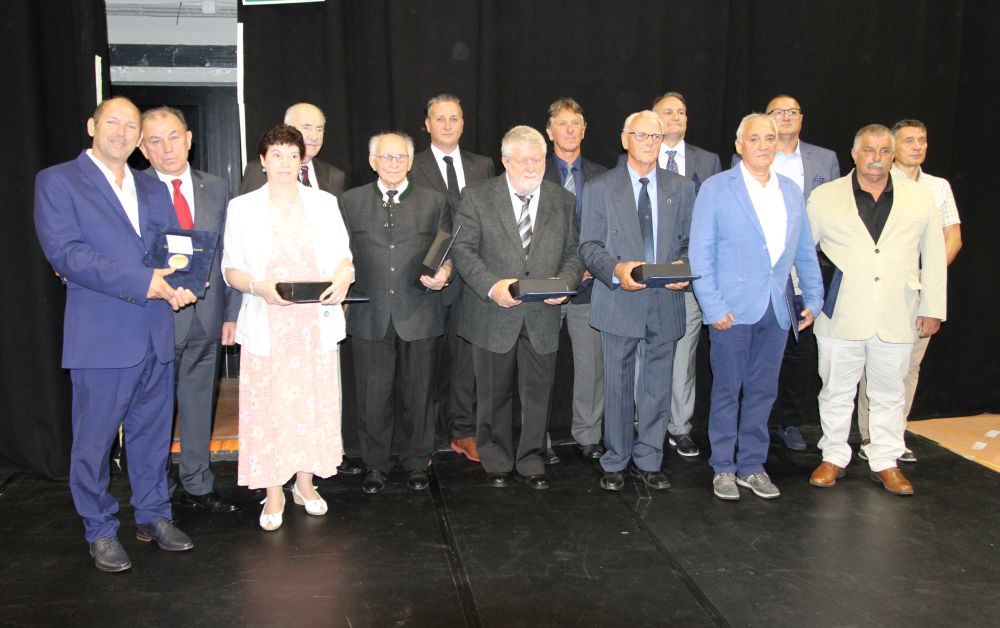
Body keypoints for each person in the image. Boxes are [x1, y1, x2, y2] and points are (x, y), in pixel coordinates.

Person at [34, 96, 197, 572]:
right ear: (92, 126)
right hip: (101, 336)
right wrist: (147, 282)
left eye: (131, 126)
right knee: (94, 442)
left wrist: (184, 281)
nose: (122, 132)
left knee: (152, 435)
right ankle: (100, 529)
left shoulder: (151, 185)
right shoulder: (58, 181)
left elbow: (170, 249)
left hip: (155, 331)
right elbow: (67, 254)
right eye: (113, 123)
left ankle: (153, 515)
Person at [222, 124, 355, 529]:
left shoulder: (324, 203)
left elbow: (344, 258)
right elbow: (231, 269)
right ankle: (274, 490)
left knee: (313, 405)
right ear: (262, 161)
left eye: (292, 155)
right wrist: (258, 287)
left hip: (313, 322)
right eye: (276, 155)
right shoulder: (242, 207)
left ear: (302, 161)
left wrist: (344, 276)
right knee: (270, 407)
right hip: (268, 321)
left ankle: (305, 483)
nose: (284, 163)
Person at [807, 124, 947, 496]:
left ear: (893, 154)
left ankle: (885, 459)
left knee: (889, 393)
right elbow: (803, 253)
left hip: (898, 311)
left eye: (885, 151)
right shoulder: (824, 197)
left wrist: (933, 307)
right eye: (869, 150)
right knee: (836, 390)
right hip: (840, 313)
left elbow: (934, 256)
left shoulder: (919, 197)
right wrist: (806, 300)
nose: (877, 158)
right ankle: (833, 455)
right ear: (855, 154)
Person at [690, 113, 823, 501]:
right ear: (739, 145)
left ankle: (751, 465)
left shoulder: (790, 191)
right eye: (755, 139)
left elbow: (804, 251)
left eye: (769, 138)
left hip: (776, 311)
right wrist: (713, 307)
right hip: (730, 312)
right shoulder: (716, 189)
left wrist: (814, 299)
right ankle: (723, 467)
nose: (764, 145)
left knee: (763, 392)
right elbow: (701, 254)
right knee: (727, 391)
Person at [451, 125, 584, 490]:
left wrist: (566, 283)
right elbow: (463, 250)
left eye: (537, 159)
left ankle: (532, 460)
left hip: (542, 315)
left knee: (538, 395)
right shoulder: (477, 196)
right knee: (492, 394)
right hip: (492, 313)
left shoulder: (562, 200)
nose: (531, 167)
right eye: (523, 160)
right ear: (505, 161)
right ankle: (495, 459)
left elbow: (574, 251)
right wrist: (491, 286)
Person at [579, 110, 693, 492]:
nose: (649, 142)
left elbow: (692, 244)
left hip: (665, 299)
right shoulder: (599, 187)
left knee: (658, 385)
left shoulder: (682, 187)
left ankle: (650, 459)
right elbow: (588, 246)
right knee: (617, 385)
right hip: (618, 299)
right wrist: (615, 270)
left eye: (655, 136)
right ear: (625, 139)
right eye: (641, 135)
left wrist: (684, 269)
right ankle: (615, 459)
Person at [138, 106, 240, 514]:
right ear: (143, 149)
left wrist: (231, 313)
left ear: (189, 139)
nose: (167, 148)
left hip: (207, 316)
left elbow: (230, 254)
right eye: (155, 141)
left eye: (174, 137)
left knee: (199, 405)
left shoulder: (217, 187)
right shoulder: (134, 189)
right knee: (154, 410)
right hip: (156, 318)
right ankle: (155, 488)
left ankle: (198, 484)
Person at [340, 132, 451, 494]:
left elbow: (448, 251)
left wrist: (445, 273)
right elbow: (339, 253)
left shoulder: (435, 201)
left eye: (400, 157)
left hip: (420, 312)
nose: (393, 164)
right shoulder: (350, 202)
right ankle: (375, 464)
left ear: (410, 161)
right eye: (386, 157)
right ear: (373, 162)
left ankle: (417, 462)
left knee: (419, 395)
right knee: (372, 397)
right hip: (369, 314)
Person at [734, 94, 840, 452]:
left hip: (803, 268)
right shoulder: (749, 159)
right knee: (754, 353)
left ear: (801, 118)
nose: (786, 117)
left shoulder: (824, 159)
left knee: (799, 348)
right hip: (759, 274)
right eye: (777, 113)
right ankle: (753, 423)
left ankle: (790, 421)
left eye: (792, 111)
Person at [856, 118, 963, 463]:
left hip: (920, 287)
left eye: (922, 140)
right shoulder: (878, 181)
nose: (917, 147)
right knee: (875, 363)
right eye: (909, 141)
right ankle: (870, 435)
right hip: (881, 286)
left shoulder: (938, 187)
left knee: (910, 365)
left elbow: (953, 237)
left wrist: (927, 273)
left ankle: (894, 435)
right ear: (891, 148)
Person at [409, 93, 496, 463]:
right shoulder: (411, 164)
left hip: (472, 279)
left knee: (466, 360)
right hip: (428, 278)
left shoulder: (483, 165)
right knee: (425, 361)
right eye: (440, 119)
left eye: (454, 118)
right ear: (427, 125)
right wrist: (433, 270)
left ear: (463, 123)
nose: (448, 125)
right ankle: (424, 437)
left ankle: (463, 430)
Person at [651, 91, 722, 458]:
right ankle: (644, 421)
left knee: (684, 354)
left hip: (692, 275)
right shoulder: (639, 158)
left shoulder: (708, 161)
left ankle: (679, 426)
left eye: (681, 111)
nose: (676, 116)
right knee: (645, 351)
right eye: (667, 112)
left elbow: (716, 218)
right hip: (649, 274)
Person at [542, 98, 607, 461]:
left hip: (590, 285)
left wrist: (589, 266)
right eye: (562, 124)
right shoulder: (534, 171)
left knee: (591, 367)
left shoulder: (604, 175)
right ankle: (539, 440)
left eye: (575, 124)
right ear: (549, 132)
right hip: (545, 286)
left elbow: (610, 229)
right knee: (541, 369)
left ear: (584, 130)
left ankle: (589, 435)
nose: (569, 130)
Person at [239, 102, 347, 198]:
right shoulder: (259, 171)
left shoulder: (334, 177)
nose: (314, 137)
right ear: (287, 129)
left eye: (319, 129)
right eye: (306, 127)